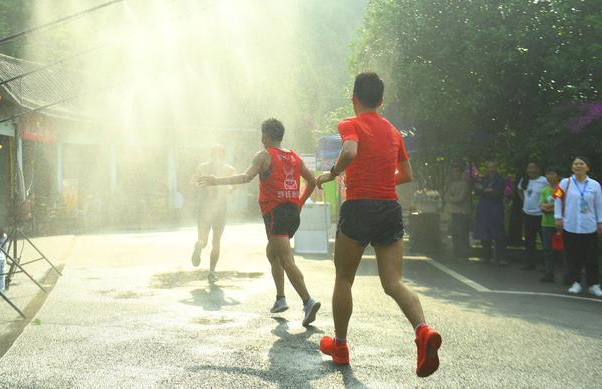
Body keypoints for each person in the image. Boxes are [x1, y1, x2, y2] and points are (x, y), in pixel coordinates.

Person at [316, 72, 442, 377]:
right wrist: (385, 181)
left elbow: (349, 151)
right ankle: (423, 331)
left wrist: (333, 174)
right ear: (381, 102)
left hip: (359, 206)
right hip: (389, 207)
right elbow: (407, 174)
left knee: (344, 279)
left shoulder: (351, 124)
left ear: (354, 99)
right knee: (393, 282)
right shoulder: (393, 131)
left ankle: (341, 346)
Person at [197, 118, 321, 326]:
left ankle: (308, 301)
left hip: (276, 213)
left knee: (285, 258)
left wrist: (216, 181)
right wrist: (298, 203)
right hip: (291, 213)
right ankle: (280, 299)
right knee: (272, 253)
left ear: (265, 137)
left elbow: (246, 177)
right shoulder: (293, 157)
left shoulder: (264, 155)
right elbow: (312, 180)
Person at [554, 157, 602, 297]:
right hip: (570, 226)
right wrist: (558, 217)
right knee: (572, 256)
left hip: (589, 227)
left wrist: (601, 221)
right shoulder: (565, 183)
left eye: (581, 164)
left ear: (587, 167)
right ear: (572, 168)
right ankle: (575, 283)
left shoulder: (594, 185)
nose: (578, 166)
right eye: (575, 164)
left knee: (591, 257)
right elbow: (557, 199)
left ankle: (594, 285)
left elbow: (599, 204)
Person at [190, 145, 235, 282]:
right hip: (220, 208)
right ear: (223, 155)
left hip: (204, 207)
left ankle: (199, 245)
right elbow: (233, 186)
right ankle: (212, 271)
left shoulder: (202, 167)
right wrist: (227, 189)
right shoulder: (229, 169)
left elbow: (192, 183)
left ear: (211, 154)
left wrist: (200, 186)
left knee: (203, 240)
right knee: (216, 241)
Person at [474, 162, 507, 265]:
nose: (491, 169)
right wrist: (486, 190)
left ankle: (500, 257)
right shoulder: (483, 179)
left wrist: (485, 191)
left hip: (496, 206)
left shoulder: (501, 179)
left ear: (496, 168)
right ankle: (486, 256)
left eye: (493, 167)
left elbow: (498, 193)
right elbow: (477, 191)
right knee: (484, 230)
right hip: (484, 207)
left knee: (498, 231)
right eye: (489, 168)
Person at [517, 162, 548, 270]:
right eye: (528, 167)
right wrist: (524, 200)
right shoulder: (524, 180)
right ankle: (530, 263)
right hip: (528, 214)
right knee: (529, 240)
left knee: (545, 240)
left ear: (539, 169)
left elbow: (553, 191)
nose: (530, 170)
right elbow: (519, 189)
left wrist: (547, 204)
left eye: (533, 167)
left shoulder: (544, 180)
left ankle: (546, 264)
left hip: (541, 214)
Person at [538, 167, 565, 283]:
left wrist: (549, 207)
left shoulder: (561, 189)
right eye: (547, 173)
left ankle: (567, 275)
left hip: (559, 224)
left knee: (562, 250)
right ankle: (549, 273)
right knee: (547, 249)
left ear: (558, 175)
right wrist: (551, 207)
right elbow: (541, 205)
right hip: (546, 224)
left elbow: (561, 204)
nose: (550, 176)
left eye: (552, 173)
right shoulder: (544, 190)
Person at [445, 164, 471, 260]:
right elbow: (447, 196)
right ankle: (456, 252)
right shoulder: (451, 184)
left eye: (457, 171)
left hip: (462, 212)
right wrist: (453, 198)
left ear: (461, 172)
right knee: (454, 233)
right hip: (453, 212)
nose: (455, 174)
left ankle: (464, 253)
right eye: (454, 171)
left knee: (462, 233)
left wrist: (452, 198)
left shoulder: (464, 184)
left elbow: (461, 198)